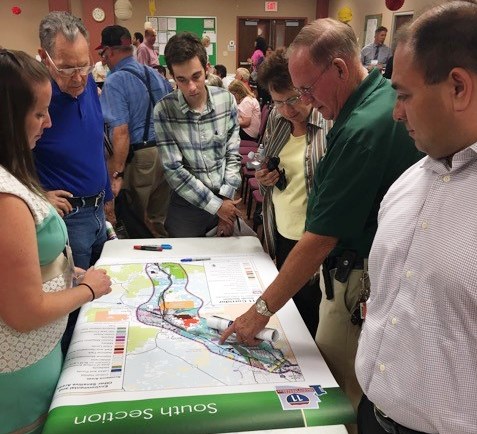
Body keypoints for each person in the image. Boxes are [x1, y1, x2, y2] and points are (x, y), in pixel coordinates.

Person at [220, 17, 421, 423]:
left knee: (334, 393)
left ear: (341, 69)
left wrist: (260, 310)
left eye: (307, 89)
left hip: (354, 277)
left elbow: (320, 238)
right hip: (367, 269)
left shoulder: (362, 129)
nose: (307, 102)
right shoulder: (371, 100)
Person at [356, 2, 477, 433]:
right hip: (372, 415)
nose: (395, 112)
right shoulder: (410, 179)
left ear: (458, 88)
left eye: (404, 95)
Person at [0, 49, 111, 434]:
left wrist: (65, 272)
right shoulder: (6, 199)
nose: (48, 123)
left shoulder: (14, 172)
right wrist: (89, 290)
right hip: (20, 377)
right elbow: (24, 311)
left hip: (37, 361)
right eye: (38, 114)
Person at [35, 11, 113, 353]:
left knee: (100, 303)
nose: (79, 77)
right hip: (67, 219)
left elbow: (94, 143)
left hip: (97, 212)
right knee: (74, 312)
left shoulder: (88, 86)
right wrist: (37, 196)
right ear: (44, 57)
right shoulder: (36, 99)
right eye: (67, 68)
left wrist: (107, 196)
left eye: (85, 65)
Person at [255, 48, 330, 337]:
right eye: (278, 102)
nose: (287, 109)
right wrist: (265, 178)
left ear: (306, 88)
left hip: (315, 237)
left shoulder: (328, 124)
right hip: (282, 231)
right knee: (292, 311)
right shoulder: (277, 120)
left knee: (314, 317)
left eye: (293, 98)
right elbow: (266, 174)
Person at [154, 32, 242, 238]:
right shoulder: (164, 110)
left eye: (196, 77)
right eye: (181, 80)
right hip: (186, 204)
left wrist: (226, 200)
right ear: (172, 76)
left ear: (207, 69)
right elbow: (174, 170)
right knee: (186, 264)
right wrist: (216, 206)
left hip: (224, 196)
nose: (191, 87)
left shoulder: (226, 100)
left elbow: (233, 153)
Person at [98, 25, 173, 238]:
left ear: (110, 51)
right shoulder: (156, 75)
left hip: (141, 159)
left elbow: (120, 133)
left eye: (103, 54)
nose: (104, 60)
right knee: (158, 221)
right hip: (166, 155)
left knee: (137, 222)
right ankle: (166, 262)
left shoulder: (114, 81)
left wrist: (116, 175)